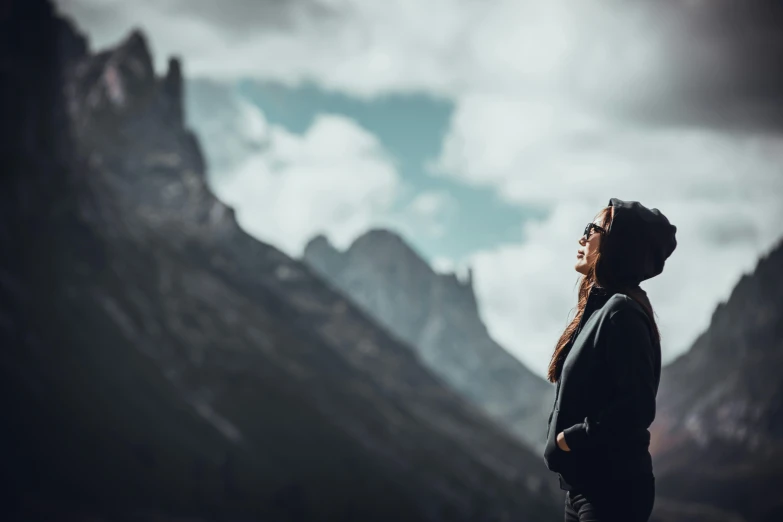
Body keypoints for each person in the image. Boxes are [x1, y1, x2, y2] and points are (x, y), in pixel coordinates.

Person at [542, 198, 677, 522]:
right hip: (585, 488)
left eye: (593, 229)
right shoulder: (603, 310)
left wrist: (571, 438)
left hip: (611, 491)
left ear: (618, 243)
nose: (583, 237)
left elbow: (637, 406)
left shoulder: (622, 313)